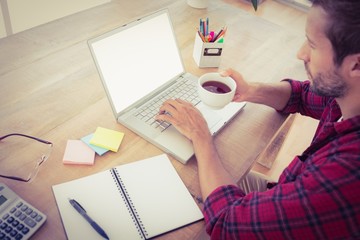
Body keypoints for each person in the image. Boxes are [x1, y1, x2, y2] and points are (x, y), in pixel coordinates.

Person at [156, 0, 360, 239]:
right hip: (286, 191)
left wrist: (201, 134)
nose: (301, 53)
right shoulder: (346, 97)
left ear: (356, 64)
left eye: (312, 45)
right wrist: (249, 91)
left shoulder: (345, 176)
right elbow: (302, 96)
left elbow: (227, 223)